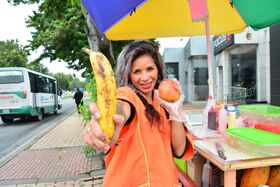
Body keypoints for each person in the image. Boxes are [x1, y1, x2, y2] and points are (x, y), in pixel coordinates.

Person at [83, 40, 194, 186]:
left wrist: (175, 111)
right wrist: (108, 118)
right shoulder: (128, 95)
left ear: (158, 70)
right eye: (137, 71)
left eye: (150, 69)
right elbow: (121, 107)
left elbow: (179, 151)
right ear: (128, 75)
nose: (145, 78)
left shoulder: (163, 102)